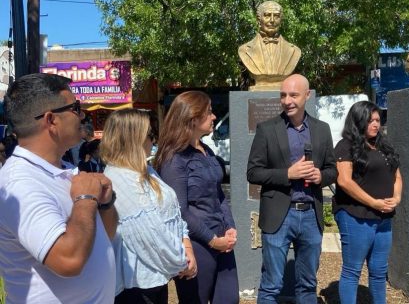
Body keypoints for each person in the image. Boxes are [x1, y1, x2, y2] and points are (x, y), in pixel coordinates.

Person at [0, 73, 117, 303]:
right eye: (75, 108)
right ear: (51, 120)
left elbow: (106, 235)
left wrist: (105, 203)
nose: (82, 115)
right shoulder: (20, 183)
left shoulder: (65, 169)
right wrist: (85, 199)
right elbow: (68, 260)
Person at [247, 74, 337, 303]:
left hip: (310, 215)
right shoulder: (267, 129)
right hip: (279, 215)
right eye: (283, 95)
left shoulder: (322, 129)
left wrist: (320, 176)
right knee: (271, 285)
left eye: (293, 95)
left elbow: (332, 170)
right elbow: (253, 172)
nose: (287, 100)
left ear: (307, 95)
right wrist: (288, 174)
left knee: (308, 285)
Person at [100, 109, 196, 304]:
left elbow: (173, 214)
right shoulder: (118, 179)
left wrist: (186, 246)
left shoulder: (145, 170)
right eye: (150, 135)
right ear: (133, 139)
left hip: (156, 277)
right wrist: (180, 261)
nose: (154, 141)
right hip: (137, 286)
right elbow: (149, 234)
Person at [156, 91, 239, 304]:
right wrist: (213, 240)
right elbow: (179, 210)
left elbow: (218, 194)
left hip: (222, 240)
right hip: (196, 244)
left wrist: (229, 226)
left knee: (228, 299)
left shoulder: (206, 151)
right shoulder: (174, 159)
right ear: (193, 118)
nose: (213, 117)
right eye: (209, 112)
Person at [333, 101, 402, 304]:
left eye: (378, 120)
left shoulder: (384, 145)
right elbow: (344, 181)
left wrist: (396, 198)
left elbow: (397, 175)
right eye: (370, 120)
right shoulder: (345, 146)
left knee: (379, 271)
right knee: (353, 270)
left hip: (384, 217)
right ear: (358, 121)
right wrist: (373, 202)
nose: (375, 124)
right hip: (356, 216)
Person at [238, 1, 301, 91]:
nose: (272, 20)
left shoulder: (295, 51)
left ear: (281, 20)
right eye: (267, 15)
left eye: (276, 16)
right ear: (259, 19)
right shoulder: (244, 50)